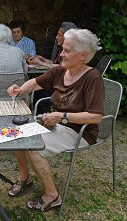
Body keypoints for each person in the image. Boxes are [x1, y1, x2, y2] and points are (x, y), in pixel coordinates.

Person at [7, 29, 103, 211]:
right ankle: (25, 177)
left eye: (67, 50)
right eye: (63, 49)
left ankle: (52, 196)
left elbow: (96, 117)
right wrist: (20, 90)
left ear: (83, 55)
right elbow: (35, 83)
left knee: (33, 146)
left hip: (79, 131)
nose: (61, 54)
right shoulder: (61, 70)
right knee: (17, 135)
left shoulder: (93, 77)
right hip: (56, 123)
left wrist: (62, 116)